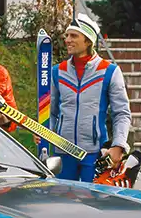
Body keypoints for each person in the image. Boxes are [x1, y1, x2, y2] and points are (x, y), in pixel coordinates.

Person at [50, 13, 132, 182]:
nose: (67, 40)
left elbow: (122, 113)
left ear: (88, 41)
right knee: (62, 197)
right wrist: (45, 134)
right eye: (67, 35)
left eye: (74, 36)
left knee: (93, 198)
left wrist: (118, 145)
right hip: (63, 151)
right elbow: (51, 113)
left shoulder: (109, 71)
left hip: (95, 152)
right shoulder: (57, 72)